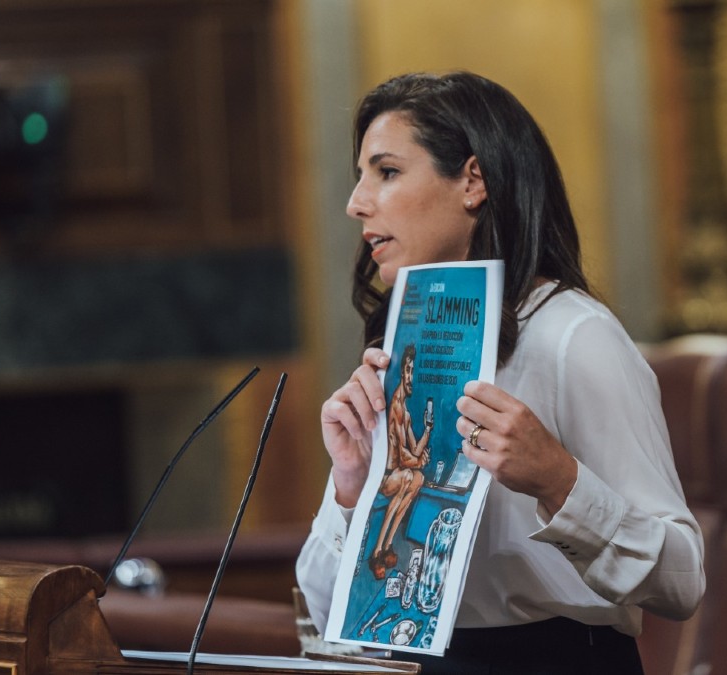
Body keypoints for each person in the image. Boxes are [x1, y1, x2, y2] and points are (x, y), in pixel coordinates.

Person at [296, 71, 704, 675]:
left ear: (472, 180)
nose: (356, 202)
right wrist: (354, 487)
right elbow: (325, 607)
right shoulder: (406, 344)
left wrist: (560, 481)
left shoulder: (576, 336)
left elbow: (683, 581)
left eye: (385, 172)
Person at [369, 343, 432, 580]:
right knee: (408, 476)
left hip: (399, 475)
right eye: (407, 371)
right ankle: (378, 550)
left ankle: (388, 544)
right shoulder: (395, 405)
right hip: (388, 477)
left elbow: (414, 448)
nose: (410, 378)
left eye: (412, 372)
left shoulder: (404, 410)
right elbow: (404, 455)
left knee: (418, 479)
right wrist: (416, 461)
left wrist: (426, 430)